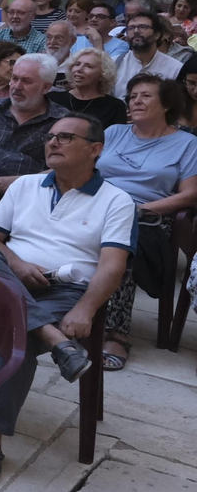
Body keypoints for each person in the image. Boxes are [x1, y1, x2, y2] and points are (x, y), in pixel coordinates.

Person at [0, 114, 134, 477]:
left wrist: (87, 309)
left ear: (95, 149)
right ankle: (56, 341)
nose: (52, 143)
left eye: (65, 137)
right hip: (9, 276)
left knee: (16, 332)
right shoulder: (26, 185)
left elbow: (113, 267)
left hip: (66, 289)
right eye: (51, 137)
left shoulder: (116, 200)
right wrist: (19, 264)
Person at [94, 75, 197, 371]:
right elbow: (85, 171)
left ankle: (116, 332)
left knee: (120, 244)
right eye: (132, 96)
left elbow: (189, 197)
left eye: (145, 96)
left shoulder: (186, 144)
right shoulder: (113, 132)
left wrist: (139, 208)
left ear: (166, 104)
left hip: (149, 216)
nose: (135, 101)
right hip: (98, 205)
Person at [0, 53, 68, 196]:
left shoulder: (62, 121)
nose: (17, 87)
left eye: (26, 81)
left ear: (46, 87)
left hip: (31, 199)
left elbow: (67, 168)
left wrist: (18, 182)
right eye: (14, 78)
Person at [50, 48, 127, 129]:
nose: (79, 69)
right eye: (77, 64)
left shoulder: (115, 107)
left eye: (89, 66)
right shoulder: (52, 99)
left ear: (102, 74)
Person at [114, 13, 184, 97]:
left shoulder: (175, 68)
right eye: (131, 28)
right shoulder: (115, 63)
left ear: (157, 35)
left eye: (143, 27)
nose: (136, 31)